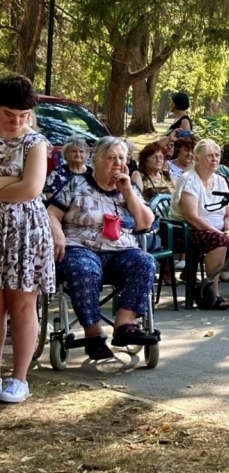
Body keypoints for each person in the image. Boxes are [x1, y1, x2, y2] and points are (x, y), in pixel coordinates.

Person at [47, 136, 158, 359]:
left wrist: (127, 191)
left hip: (121, 250)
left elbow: (145, 223)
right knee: (84, 269)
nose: (117, 163)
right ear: (95, 160)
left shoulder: (128, 187)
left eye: (121, 158)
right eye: (111, 158)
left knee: (145, 262)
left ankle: (124, 326)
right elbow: (51, 213)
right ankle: (93, 335)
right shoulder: (76, 184)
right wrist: (57, 234)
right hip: (81, 247)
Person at [0, 75, 55, 403]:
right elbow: (18, 186)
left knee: (22, 303)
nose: (17, 122)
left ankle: (18, 378)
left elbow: (31, 189)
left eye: (23, 116)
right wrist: (11, 180)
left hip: (25, 232)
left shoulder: (35, 142)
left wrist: (11, 182)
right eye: (9, 114)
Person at [169, 140, 229, 309]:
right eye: (209, 155)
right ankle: (212, 293)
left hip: (219, 229)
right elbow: (192, 217)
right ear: (197, 158)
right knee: (218, 241)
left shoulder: (221, 181)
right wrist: (219, 233)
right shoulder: (189, 180)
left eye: (217, 155)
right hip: (187, 231)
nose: (215, 159)